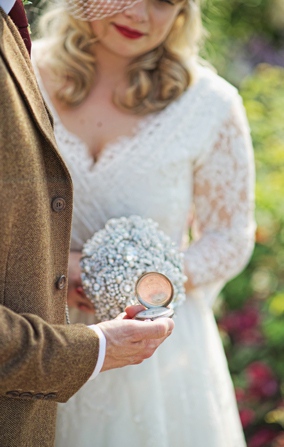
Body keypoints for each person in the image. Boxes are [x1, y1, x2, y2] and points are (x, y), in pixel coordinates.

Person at [32, 0, 255, 443]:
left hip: (156, 350)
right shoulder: (21, 72)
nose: (138, 13)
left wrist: (140, 281)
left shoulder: (210, 104)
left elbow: (229, 238)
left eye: (163, 1)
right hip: (34, 333)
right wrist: (60, 268)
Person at [0, 3, 174, 447]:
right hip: (48, 367)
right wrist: (93, 350)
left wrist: (149, 280)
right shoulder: (37, 62)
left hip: (149, 354)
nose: (137, 12)